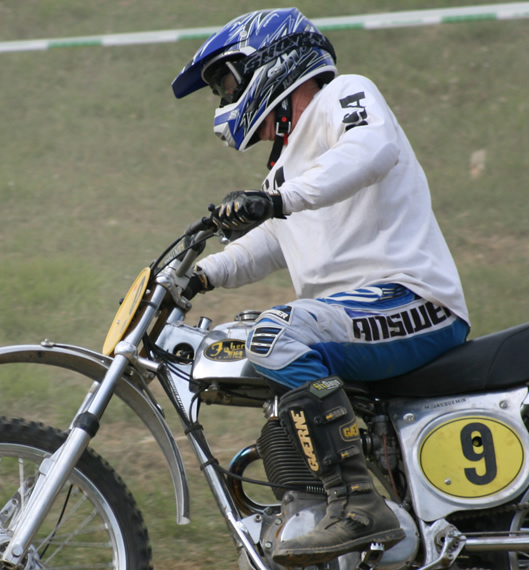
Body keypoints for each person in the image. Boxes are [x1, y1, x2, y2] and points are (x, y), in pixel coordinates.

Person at [172, 8, 470, 566]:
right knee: (257, 340)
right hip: (357, 316)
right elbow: (274, 240)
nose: (223, 100)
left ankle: (358, 504)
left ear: (272, 62)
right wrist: (201, 275)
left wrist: (277, 200)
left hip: (413, 299)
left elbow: (371, 150)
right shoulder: (284, 170)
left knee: (274, 333)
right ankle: (318, 501)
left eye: (226, 83)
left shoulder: (345, 96)